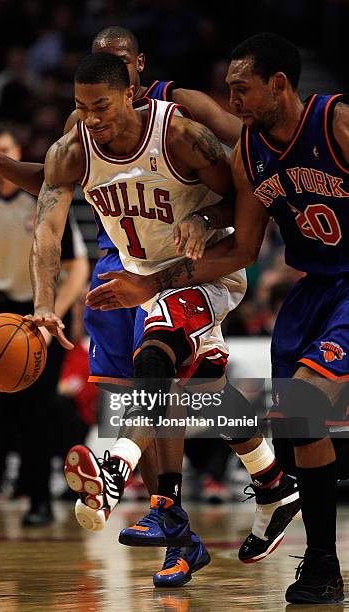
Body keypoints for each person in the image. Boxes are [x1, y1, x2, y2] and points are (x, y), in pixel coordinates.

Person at [0, 28, 300, 584]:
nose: (90, 117)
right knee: (198, 390)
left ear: (135, 76)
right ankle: (272, 482)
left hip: (202, 267)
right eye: (81, 106)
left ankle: (122, 477)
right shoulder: (75, 141)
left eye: (101, 103)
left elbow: (248, 177)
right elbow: (48, 221)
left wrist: (205, 220)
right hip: (134, 271)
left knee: (156, 356)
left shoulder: (180, 121)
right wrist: (44, 307)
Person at [87, 33, 348, 605]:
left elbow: (225, 205)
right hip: (306, 290)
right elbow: (244, 247)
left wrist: (197, 226)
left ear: (279, 84)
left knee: (176, 362)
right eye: (228, 89)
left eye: (241, 88)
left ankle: (123, 475)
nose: (232, 101)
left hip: (337, 282)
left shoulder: (334, 122)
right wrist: (167, 267)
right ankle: (309, 542)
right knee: (286, 416)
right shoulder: (251, 149)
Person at [0, 122, 89, 526]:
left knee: (38, 409)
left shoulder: (44, 197)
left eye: (6, 151)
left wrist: (52, 318)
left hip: (40, 309)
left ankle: (39, 500)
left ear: (16, 150)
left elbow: (78, 267)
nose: (0, 162)